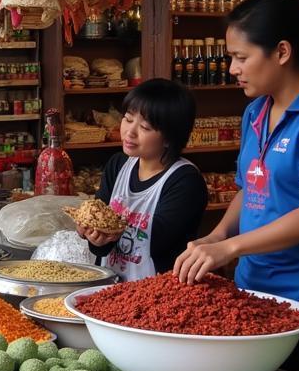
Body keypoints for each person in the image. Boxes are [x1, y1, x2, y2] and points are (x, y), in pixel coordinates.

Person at [174, 0, 299, 371]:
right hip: (253, 299)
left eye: (241, 57)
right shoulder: (255, 111)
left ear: (281, 52)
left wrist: (232, 248)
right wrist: (217, 235)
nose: (231, 69)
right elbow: (251, 188)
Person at [76, 79, 209, 279]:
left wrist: (110, 230)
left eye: (145, 127)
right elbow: (101, 237)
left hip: (157, 293)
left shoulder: (185, 182)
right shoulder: (118, 164)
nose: (130, 132)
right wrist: (93, 234)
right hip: (110, 288)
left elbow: (158, 243)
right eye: (128, 119)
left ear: (169, 138)